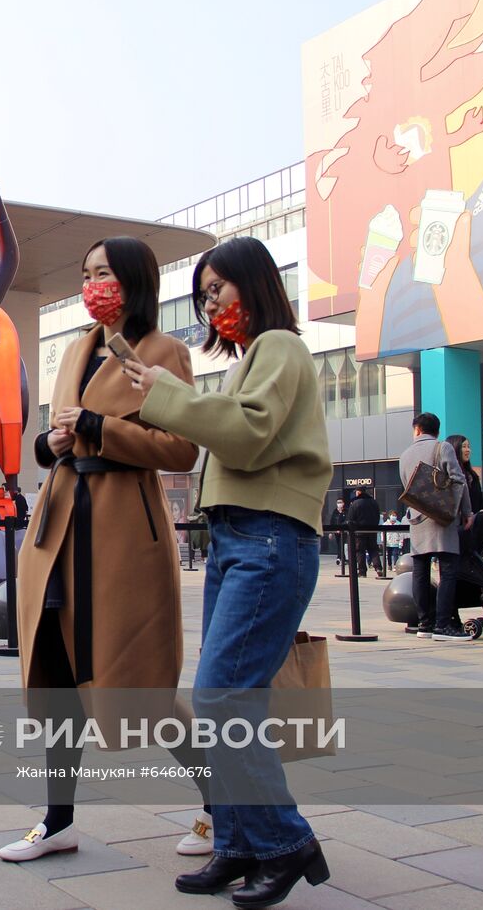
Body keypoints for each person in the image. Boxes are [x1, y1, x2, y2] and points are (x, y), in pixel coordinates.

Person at [125, 235, 333, 906]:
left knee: (222, 700)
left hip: (268, 540)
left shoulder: (280, 348)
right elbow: (234, 434)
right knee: (229, 703)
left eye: (219, 290)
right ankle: (240, 844)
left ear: (255, 283)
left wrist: (163, 393)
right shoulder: (256, 357)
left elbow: (243, 434)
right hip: (244, 539)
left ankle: (285, 841)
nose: (212, 304)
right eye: (204, 295)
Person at [4, 236, 212, 862]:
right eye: (87, 272)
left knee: (139, 682)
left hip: (121, 531)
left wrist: (98, 430)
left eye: (105, 274)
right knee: (56, 671)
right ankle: (57, 819)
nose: (94, 284)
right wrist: (50, 445)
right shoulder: (73, 349)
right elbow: (56, 429)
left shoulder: (163, 350)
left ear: (134, 282)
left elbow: (182, 449)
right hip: (60, 524)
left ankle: (221, 803)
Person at [399, 413, 473, 640]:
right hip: (441, 517)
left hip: (417, 518)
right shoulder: (443, 448)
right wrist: (466, 512)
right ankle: (443, 625)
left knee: (419, 572)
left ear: (418, 429)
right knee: (448, 571)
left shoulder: (405, 454)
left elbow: (406, 486)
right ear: (437, 431)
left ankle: (424, 624)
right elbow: (458, 480)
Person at [346, 488, 382, 576]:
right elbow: (377, 516)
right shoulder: (374, 502)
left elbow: (350, 519)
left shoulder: (355, 503)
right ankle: (378, 568)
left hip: (359, 531)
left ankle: (362, 571)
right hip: (372, 530)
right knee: (373, 549)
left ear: (358, 492)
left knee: (360, 551)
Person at [329, 497, 348, 568]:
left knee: (341, 544)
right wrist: (331, 532)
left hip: (343, 531)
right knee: (339, 545)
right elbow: (332, 521)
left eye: (340, 502)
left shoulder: (346, 511)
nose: (339, 504)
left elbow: (346, 520)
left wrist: (341, 528)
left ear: (343, 503)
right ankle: (342, 558)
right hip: (336, 531)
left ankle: (339, 558)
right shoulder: (335, 511)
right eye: (338, 502)